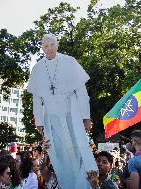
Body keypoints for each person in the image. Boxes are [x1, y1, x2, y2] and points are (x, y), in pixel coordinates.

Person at [27, 33, 97, 188]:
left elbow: (81, 92)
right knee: (59, 152)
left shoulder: (70, 62)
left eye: (52, 44)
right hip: (51, 117)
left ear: (57, 45)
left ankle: (84, 184)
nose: (49, 48)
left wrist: (86, 117)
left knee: (77, 148)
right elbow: (36, 99)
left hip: (71, 115)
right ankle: (66, 184)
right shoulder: (37, 68)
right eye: (46, 46)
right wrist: (39, 122)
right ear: (42, 48)